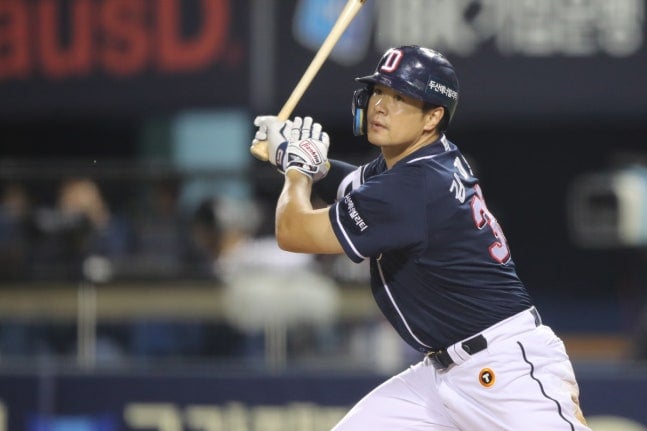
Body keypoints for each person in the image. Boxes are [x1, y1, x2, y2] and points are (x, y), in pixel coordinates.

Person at [252, 45, 590, 430]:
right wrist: (298, 157)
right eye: (379, 91)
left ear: (433, 116)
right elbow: (353, 185)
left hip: (503, 371)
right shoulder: (425, 159)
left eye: (401, 98)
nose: (381, 106)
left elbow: (292, 231)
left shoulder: (415, 185)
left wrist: (297, 170)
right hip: (440, 375)